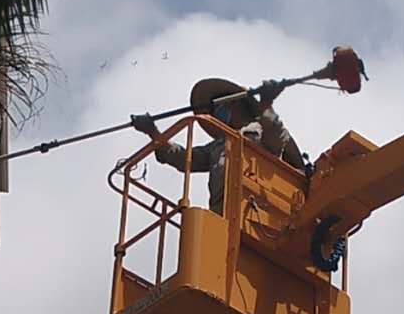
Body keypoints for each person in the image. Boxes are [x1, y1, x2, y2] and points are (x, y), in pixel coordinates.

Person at [131, 77, 305, 214]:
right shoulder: (218, 146)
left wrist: (266, 103)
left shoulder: (261, 130)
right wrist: (152, 131)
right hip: (221, 215)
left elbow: (277, 136)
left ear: (237, 105)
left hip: (260, 214)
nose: (218, 114)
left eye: (222, 107)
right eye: (216, 111)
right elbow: (183, 159)